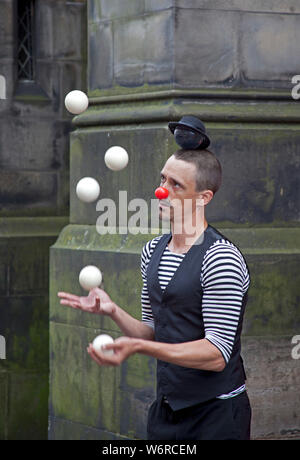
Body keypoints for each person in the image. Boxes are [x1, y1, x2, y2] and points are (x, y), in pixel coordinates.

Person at [58, 148, 252, 440]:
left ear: (203, 198)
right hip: (166, 410)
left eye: (176, 185)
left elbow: (216, 354)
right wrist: (112, 310)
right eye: (163, 179)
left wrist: (139, 349)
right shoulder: (152, 251)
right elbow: (152, 332)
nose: (161, 191)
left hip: (216, 415)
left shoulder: (220, 258)